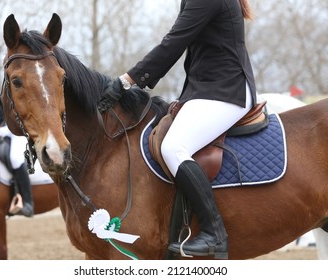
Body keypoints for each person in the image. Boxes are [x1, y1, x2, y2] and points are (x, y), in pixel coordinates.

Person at [103, 0, 256, 258]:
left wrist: (127, 81)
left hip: (227, 91)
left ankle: (214, 234)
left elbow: (175, 41)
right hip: (207, 90)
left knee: (174, 147)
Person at [0, 107, 34, 217]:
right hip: (7, 131)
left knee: (15, 158)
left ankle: (28, 202)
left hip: (22, 130)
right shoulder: (5, 93)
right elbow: (0, 113)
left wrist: (6, 129)